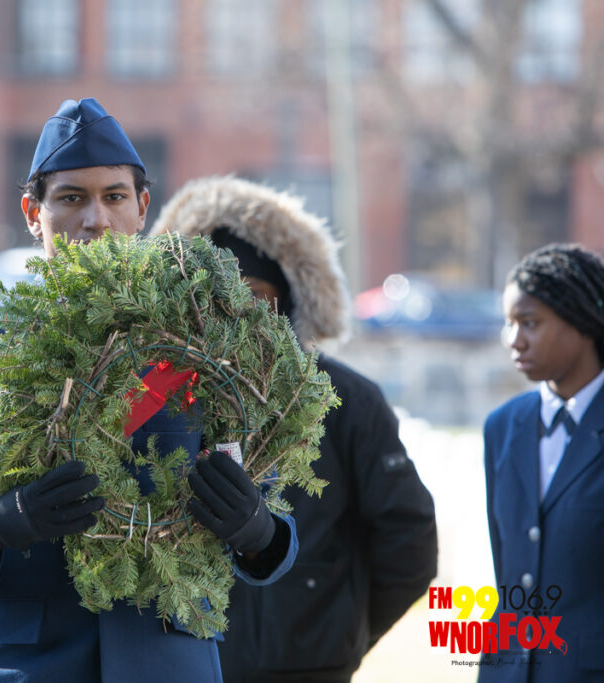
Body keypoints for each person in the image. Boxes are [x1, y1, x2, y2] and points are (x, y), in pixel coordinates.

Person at [0, 98, 298, 683]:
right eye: (72, 198)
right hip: (27, 666)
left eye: (114, 197)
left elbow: (273, 528)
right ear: (34, 212)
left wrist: (255, 528)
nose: (96, 219)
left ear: (143, 208)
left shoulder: (205, 344)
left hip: (168, 663)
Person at [150, 175, 439, 682]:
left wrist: (341, 634)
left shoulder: (345, 399)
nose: (236, 310)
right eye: (217, 294)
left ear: (286, 300)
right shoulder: (157, 397)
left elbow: (408, 542)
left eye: (254, 293)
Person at [479, 243, 604, 682]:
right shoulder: (502, 426)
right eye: (509, 323)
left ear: (581, 320)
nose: (514, 340)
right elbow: (507, 571)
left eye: (529, 323)